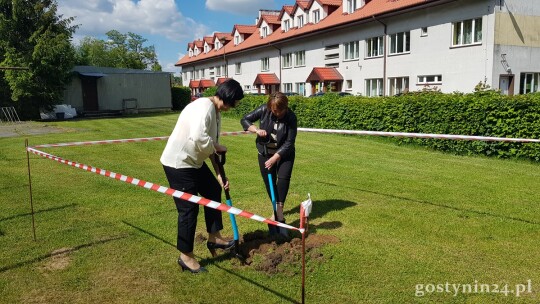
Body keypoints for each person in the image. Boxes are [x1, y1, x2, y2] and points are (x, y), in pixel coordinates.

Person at [161, 79, 244, 273]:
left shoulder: (215, 111)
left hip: (193, 162)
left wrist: (218, 174)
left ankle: (214, 237)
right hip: (178, 163)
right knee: (188, 209)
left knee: (213, 189)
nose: (236, 106)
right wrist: (217, 147)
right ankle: (185, 257)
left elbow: (210, 145)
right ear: (230, 98)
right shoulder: (204, 107)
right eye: (237, 102)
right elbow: (199, 139)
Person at [240, 92, 297, 226]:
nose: (275, 113)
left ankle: (279, 211)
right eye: (273, 110)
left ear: (285, 107)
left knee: (283, 179)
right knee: (269, 181)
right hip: (265, 152)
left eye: (278, 111)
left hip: (285, 154)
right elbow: (245, 119)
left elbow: (290, 142)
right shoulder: (264, 110)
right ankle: (275, 210)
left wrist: (276, 157)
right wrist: (255, 129)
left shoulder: (291, 117)